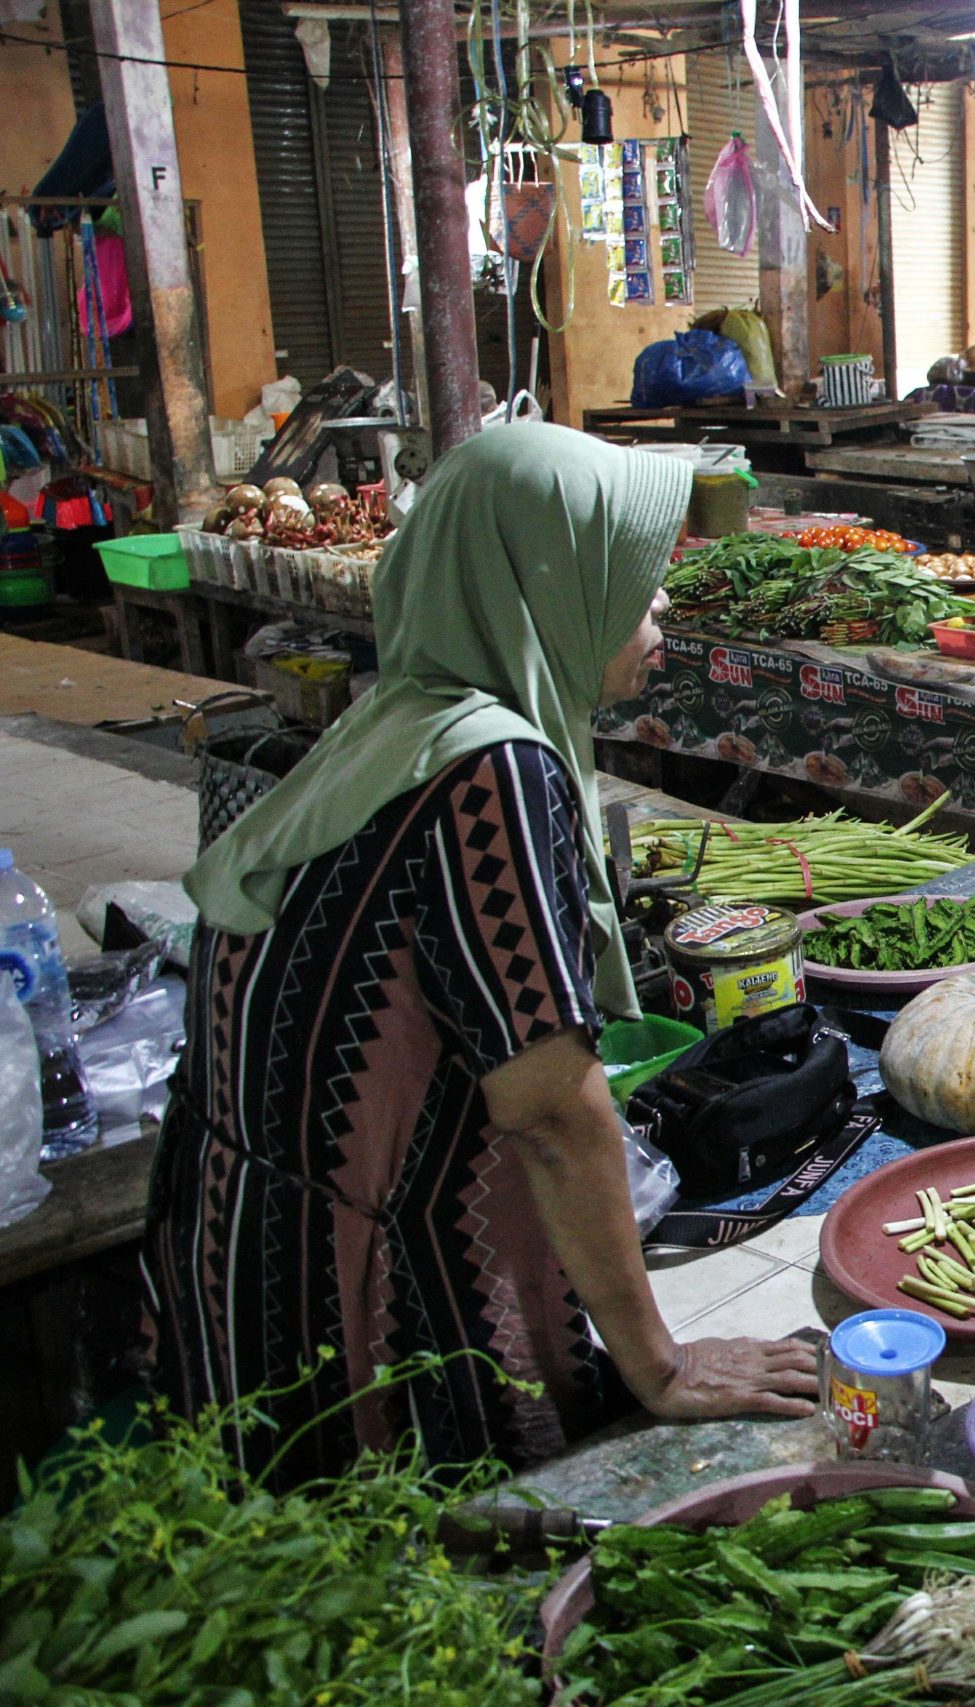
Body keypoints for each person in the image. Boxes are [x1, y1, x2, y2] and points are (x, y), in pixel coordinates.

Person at [144, 424, 818, 1483]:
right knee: (439, 1594)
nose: (661, 611)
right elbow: (549, 1109)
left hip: (244, 1256)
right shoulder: (491, 769)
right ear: (549, 585)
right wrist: (663, 1364)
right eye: (637, 581)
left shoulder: (401, 713)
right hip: (359, 1315)